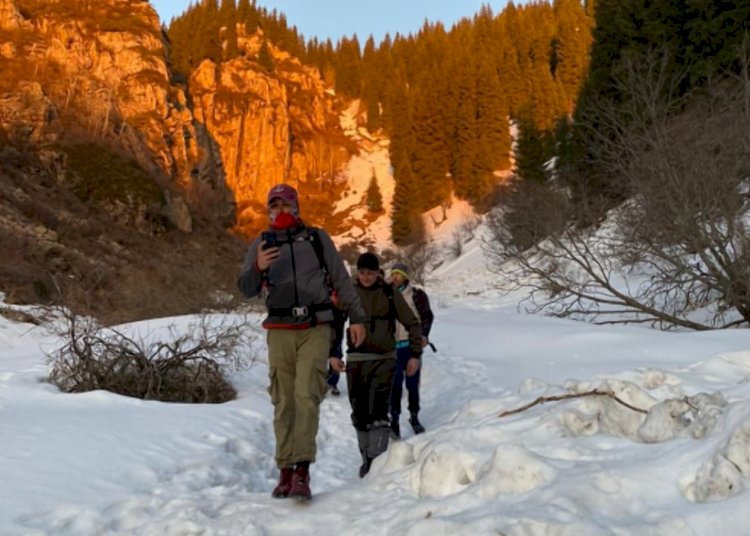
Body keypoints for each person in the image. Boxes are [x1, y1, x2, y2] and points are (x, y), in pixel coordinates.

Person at [238, 183, 366, 501]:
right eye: (274, 205)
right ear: (268, 210)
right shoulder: (261, 243)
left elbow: (340, 277)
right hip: (279, 327)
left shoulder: (317, 238)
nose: (280, 210)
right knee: (283, 400)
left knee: (306, 395)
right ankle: (284, 470)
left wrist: (359, 317)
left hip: (315, 324)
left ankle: (301, 472)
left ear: (297, 207)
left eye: (285, 204)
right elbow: (245, 288)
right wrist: (258, 267)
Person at [329, 252, 422, 478]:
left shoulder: (389, 293)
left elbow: (411, 322)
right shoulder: (348, 293)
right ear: (357, 272)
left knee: (379, 411)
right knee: (360, 411)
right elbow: (335, 324)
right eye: (362, 273)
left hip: (385, 358)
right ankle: (366, 457)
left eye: (370, 273)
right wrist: (332, 354)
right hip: (357, 359)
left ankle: (376, 462)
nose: (366, 277)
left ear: (378, 272)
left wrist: (414, 355)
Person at [388, 262, 434, 439]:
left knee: (412, 385)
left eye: (398, 274)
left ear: (406, 277)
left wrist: (424, 335)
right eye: (393, 274)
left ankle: (414, 417)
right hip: (392, 347)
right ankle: (394, 421)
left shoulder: (416, 295)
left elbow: (427, 316)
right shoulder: (386, 295)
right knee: (395, 386)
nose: (395, 278)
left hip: (410, 346)